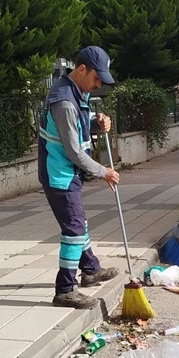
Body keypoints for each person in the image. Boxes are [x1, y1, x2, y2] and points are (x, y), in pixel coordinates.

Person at [38, 46, 121, 309]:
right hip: (59, 174)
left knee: (78, 224)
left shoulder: (76, 92)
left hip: (67, 172)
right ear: (82, 69)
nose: (98, 85)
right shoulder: (64, 101)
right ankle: (65, 290)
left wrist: (98, 123)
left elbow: (77, 127)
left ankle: (90, 270)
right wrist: (104, 172)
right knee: (73, 230)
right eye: (97, 78)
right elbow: (73, 150)